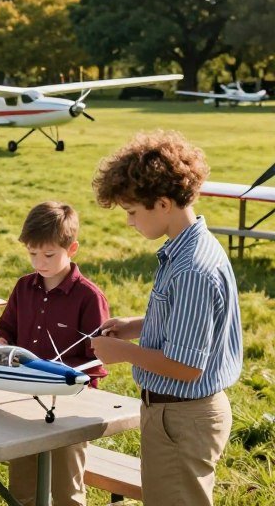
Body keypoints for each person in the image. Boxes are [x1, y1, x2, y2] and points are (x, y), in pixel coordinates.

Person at [90, 131, 242, 506]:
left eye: (131, 212)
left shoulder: (192, 268)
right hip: (175, 416)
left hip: (182, 418)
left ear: (161, 204)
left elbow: (187, 366)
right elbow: (190, 321)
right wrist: (136, 326)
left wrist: (122, 352)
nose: (129, 222)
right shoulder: (188, 248)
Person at [0, 201, 109, 506]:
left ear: (72, 249)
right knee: (22, 488)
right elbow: (6, 329)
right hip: (24, 400)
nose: (39, 262)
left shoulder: (89, 297)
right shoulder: (23, 287)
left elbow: (97, 360)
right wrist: (1, 342)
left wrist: (60, 374)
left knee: (67, 491)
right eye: (32, 254)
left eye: (48, 255)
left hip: (70, 408)